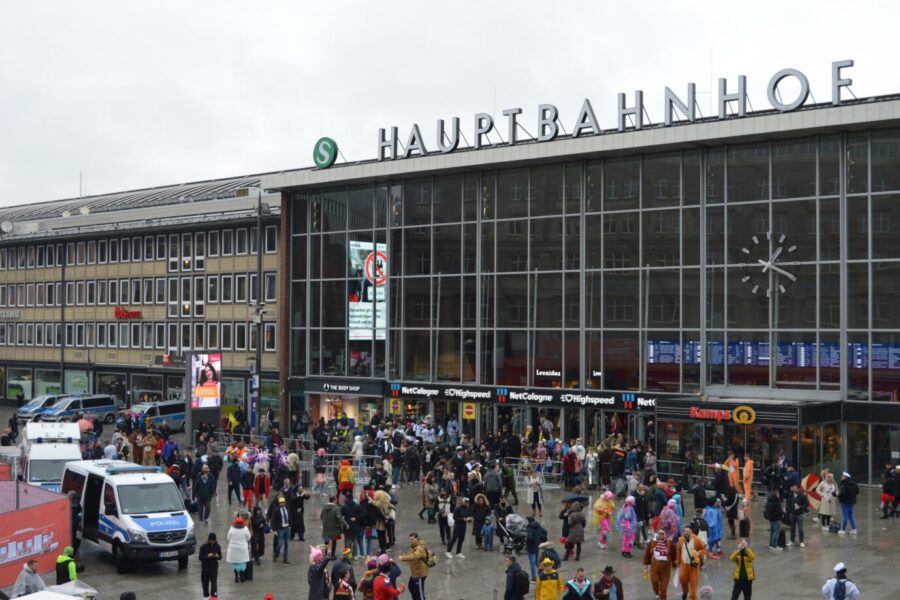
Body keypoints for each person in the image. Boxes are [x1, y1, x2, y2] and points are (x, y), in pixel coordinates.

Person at [675, 526, 707, 600]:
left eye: (688, 531)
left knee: (693, 583)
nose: (686, 533)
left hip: (694, 566)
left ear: (691, 532)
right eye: (685, 531)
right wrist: (678, 562)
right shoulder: (680, 540)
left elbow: (704, 550)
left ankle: (693, 597)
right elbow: (679, 552)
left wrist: (698, 553)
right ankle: (685, 591)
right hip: (684, 564)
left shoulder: (696, 540)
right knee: (682, 579)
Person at [643, 530, 676, 600]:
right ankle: (657, 592)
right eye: (659, 533)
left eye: (662, 533)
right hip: (655, 566)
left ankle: (663, 597)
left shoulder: (669, 543)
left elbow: (674, 554)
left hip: (666, 568)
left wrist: (674, 563)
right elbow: (647, 555)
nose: (661, 535)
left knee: (664, 588)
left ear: (665, 534)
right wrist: (645, 565)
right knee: (654, 582)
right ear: (657, 534)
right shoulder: (652, 542)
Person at [398, 532, 429, 600]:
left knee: (420, 593)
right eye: (410, 539)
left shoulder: (420, 548)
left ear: (417, 538)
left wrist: (403, 558)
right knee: (411, 587)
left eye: (412, 539)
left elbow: (414, 556)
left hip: (420, 574)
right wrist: (404, 555)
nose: (410, 541)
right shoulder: (414, 546)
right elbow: (410, 554)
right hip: (415, 573)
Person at [226, 516, 252, 583]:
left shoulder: (231, 529)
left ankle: (236, 577)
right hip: (242, 549)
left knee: (235, 564)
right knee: (242, 563)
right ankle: (242, 577)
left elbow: (228, 538)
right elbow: (249, 537)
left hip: (233, 549)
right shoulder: (245, 529)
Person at [268, 495, 292, 563]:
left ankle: (285, 558)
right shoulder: (277, 510)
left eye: (283, 502)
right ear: (279, 503)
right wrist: (274, 530)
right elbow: (273, 520)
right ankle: (276, 553)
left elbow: (289, 516)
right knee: (280, 543)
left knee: (287, 544)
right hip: (280, 529)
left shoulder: (287, 508)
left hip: (287, 528)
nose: (282, 504)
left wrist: (290, 524)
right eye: (281, 503)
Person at [198, 532, 222, 600]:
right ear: (208, 539)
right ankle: (206, 597)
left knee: (214, 584)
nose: (212, 542)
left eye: (213, 540)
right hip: (205, 569)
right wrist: (207, 556)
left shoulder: (217, 546)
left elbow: (220, 557)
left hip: (214, 568)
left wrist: (218, 556)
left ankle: (214, 597)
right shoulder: (203, 547)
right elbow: (200, 557)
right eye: (211, 540)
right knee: (205, 584)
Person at [525, 515, 547, 582]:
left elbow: (530, 537)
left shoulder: (529, 528)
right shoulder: (539, 526)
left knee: (532, 564)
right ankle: (542, 576)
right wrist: (541, 539)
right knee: (539, 563)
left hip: (531, 548)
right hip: (539, 547)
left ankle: (534, 579)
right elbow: (545, 532)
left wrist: (527, 544)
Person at [786, 483, 809, 548]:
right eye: (794, 487)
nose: (794, 489)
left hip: (799, 514)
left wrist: (800, 507)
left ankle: (801, 541)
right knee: (792, 528)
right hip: (792, 514)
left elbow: (807, 504)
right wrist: (788, 511)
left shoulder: (802, 495)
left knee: (800, 529)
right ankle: (791, 540)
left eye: (796, 488)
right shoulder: (791, 494)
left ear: (798, 489)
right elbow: (788, 503)